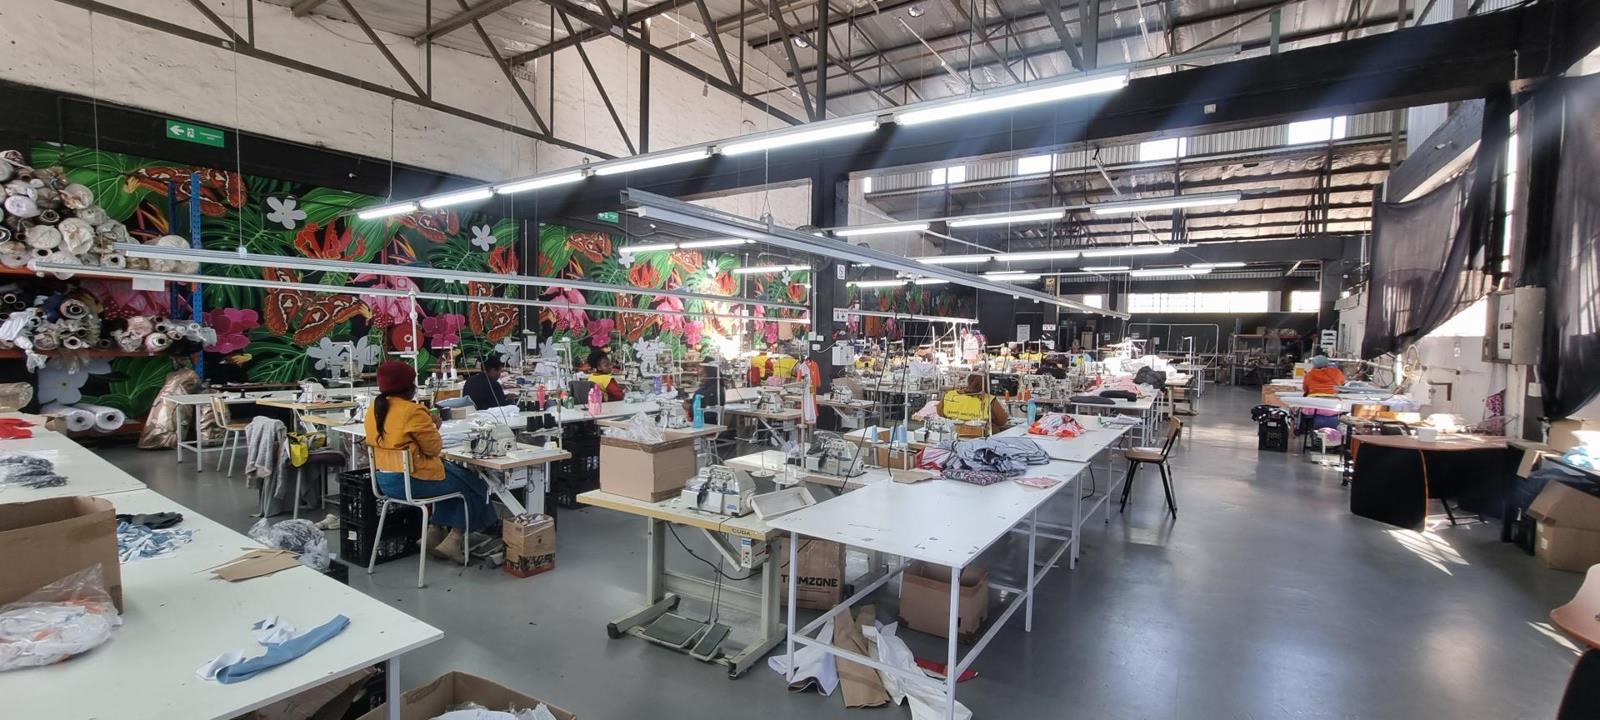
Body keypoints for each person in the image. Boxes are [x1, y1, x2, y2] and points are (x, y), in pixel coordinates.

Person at [365, 361, 492, 563]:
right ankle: (454, 538)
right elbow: (433, 449)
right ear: (409, 387)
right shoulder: (413, 411)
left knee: (454, 478)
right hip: (412, 481)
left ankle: (434, 532)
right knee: (471, 483)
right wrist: (434, 428)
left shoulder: (373, 409)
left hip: (385, 482)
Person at [938, 373, 1009, 432]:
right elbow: (1002, 421)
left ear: (968, 382)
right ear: (985, 385)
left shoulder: (950, 395)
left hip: (953, 433)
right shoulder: (989, 399)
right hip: (980, 437)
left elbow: (940, 413)